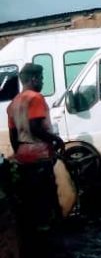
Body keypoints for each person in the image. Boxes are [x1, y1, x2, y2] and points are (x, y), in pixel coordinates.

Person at [7, 62, 64, 230]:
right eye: (41, 78)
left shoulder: (14, 103)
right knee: (47, 196)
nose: (43, 81)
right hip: (39, 156)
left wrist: (20, 153)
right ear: (33, 79)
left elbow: (13, 136)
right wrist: (55, 140)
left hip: (24, 158)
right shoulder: (35, 98)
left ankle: (38, 231)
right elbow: (35, 127)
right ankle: (54, 232)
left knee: (32, 199)